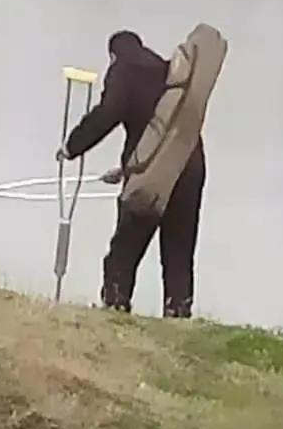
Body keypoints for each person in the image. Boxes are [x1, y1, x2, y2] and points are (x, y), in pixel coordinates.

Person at [56, 29, 206, 318]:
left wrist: (71, 146)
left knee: (125, 246)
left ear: (112, 55)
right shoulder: (166, 70)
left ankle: (115, 306)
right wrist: (125, 169)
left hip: (150, 177)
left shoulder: (123, 71)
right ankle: (178, 311)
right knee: (178, 248)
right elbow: (157, 131)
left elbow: (107, 113)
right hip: (190, 168)